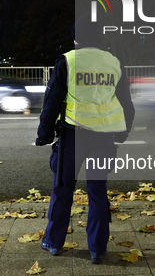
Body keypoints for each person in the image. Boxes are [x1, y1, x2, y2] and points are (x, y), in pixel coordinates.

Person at [35, 14, 135, 264]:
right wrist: (122, 133)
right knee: (97, 192)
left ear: (76, 38)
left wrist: (44, 135)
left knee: (62, 190)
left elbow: (51, 104)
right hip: (103, 139)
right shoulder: (114, 63)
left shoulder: (67, 62)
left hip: (72, 138)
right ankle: (98, 250)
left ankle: (54, 242)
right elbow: (126, 104)